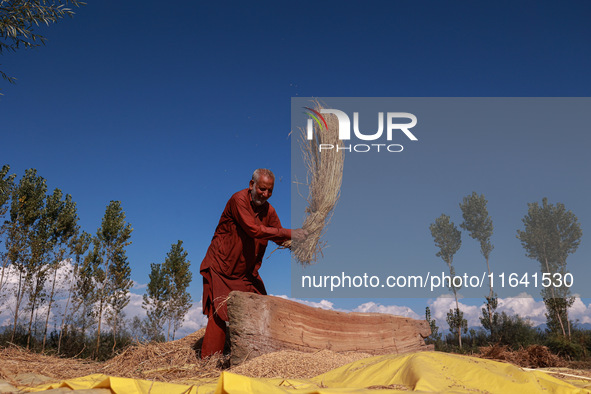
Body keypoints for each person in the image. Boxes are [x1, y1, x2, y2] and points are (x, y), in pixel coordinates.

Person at [199, 168, 306, 358]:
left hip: (245, 272)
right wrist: (291, 233)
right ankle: (208, 362)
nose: (265, 194)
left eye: (270, 191)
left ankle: (257, 357)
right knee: (219, 313)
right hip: (221, 266)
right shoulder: (238, 200)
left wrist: (304, 239)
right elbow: (254, 230)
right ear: (252, 185)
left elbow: (279, 236)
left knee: (260, 306)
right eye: (262, 189)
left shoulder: (269, 210)